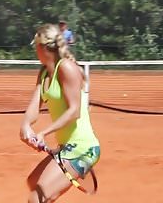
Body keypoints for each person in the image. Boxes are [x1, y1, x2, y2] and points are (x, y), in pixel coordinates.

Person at [21, 23, 100, 203]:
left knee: (37, 198)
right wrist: (26, 126)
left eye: (36, 46)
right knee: (33, 183)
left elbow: (74, 111)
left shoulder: (66, 68)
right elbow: (34, 107)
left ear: (42, 47)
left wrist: (43, 133)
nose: (35, 50)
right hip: (66, 147)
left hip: (83, 148)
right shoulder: (44, 73)